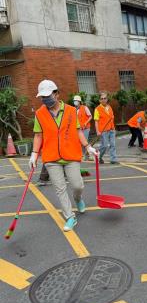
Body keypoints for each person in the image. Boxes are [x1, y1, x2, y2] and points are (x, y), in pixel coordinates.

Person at [29, 80, 98, 232]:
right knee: (60, 189)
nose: (45, 99)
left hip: (71, 155)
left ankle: (78, 198)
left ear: (56, 94)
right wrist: (34, 154)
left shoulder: (71, 111)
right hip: (51, 157)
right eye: (42, 97)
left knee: (77, 185)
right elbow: (38, 135)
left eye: (48, 96)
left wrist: (88, 147)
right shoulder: (40, 113)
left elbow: (79, 130)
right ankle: (69, 217)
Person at [94, 91, 119, 164]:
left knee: (113, 145)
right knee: (104, 146)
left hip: (111, 129)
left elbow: (112, 118)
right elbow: (96, 121)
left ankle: (113, 159)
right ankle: (99, 156)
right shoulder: (97, 109)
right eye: (102, 98)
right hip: (103, 131)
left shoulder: (109, 107)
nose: (103, 100)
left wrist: (113, 128)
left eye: (105, 98)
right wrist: (97, 131)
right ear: (99, 100)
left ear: (107, 99)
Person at [73, 95, 92, 160]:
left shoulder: (85, 108)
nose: (75, 102)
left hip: (86, 128)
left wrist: (85, 123)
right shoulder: (74, 110)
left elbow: (90, 116)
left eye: (77, 101)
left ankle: (86, 156)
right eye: (74, 101)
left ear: (79, 101)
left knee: (85, 141)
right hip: (79, 129)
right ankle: (85, 155)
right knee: (81, 142)